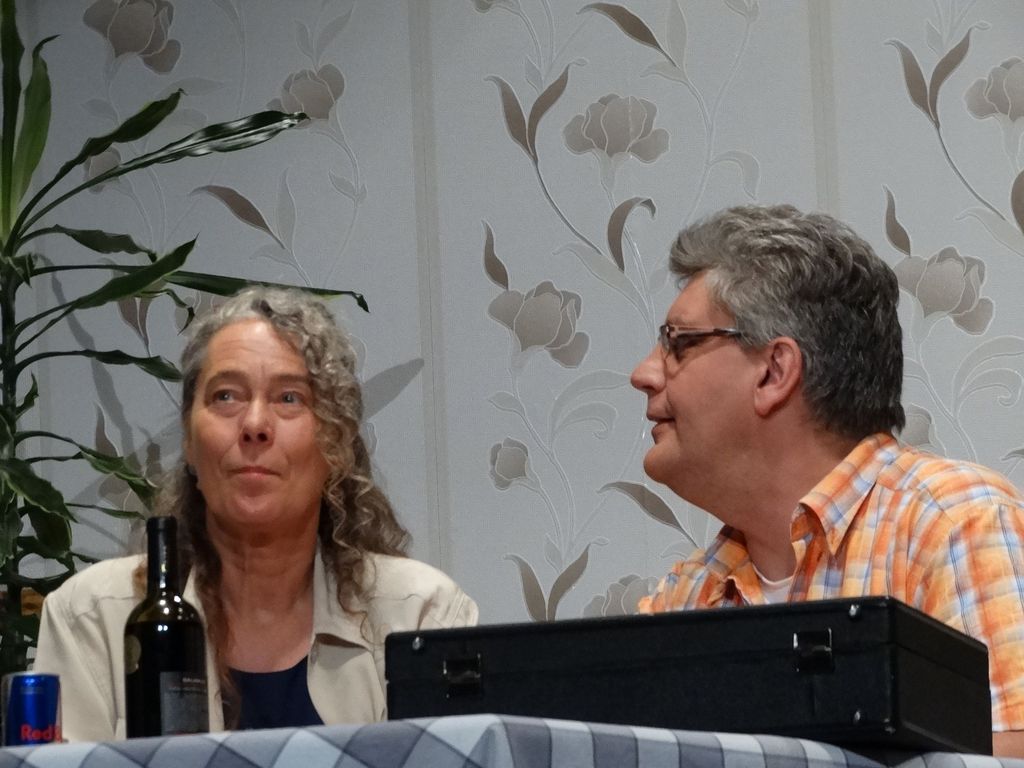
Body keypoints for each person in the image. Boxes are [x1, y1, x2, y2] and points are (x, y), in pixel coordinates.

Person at [630, 204, 1024, 756]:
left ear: (774, 371)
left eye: (679, 343)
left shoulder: (954, 521)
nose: (644, 374)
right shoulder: (689, 594)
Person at [33, 287, 478, 741]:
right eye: (226, 396)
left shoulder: (421, 616)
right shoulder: (91, 619)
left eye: (289, 398)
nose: (254, 425)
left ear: (337, 443)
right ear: (189, 440)